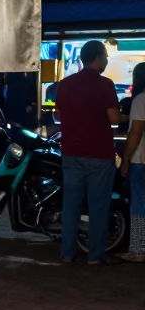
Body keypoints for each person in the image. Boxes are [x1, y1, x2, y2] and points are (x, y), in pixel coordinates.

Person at [53, 41, 121, 265]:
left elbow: (59, 116)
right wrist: (125, 118)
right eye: (106, 57)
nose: (107, 61)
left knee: (71, 205)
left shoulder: (64, 84)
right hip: (99, 154)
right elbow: (113, 119)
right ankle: (95, 256)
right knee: (98, 206)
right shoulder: (105, 85)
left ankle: (67, 254)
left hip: (71, 153)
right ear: (98, 57)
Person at [119, 62, 145, 262]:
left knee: (138, 205)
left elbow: (135, 133)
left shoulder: (140, 100)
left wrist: (126, 159)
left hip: (141, 161)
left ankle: (138, 249)